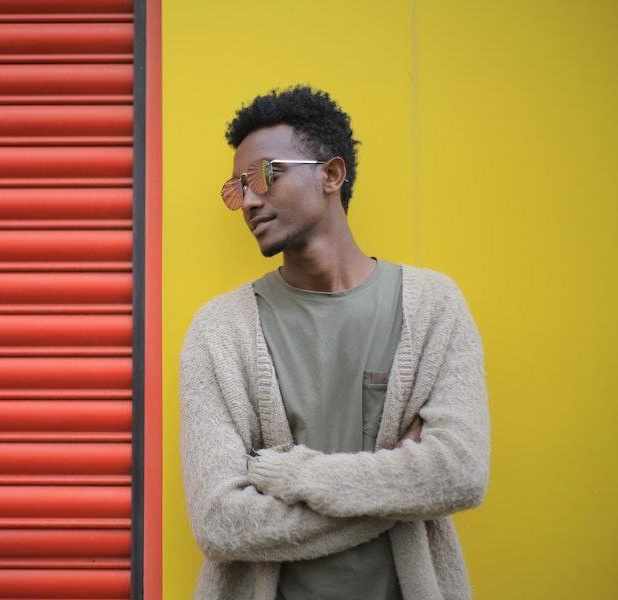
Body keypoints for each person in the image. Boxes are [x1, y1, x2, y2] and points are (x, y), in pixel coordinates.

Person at [179, 85, 490, 600]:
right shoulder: (220, 330)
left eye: (264, 174)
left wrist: (298, 476)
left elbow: (459, 474)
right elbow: (220, 522)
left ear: (330, 174)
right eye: (237, 188)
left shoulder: (433, 306)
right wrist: (399, 489)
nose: (249, 199)